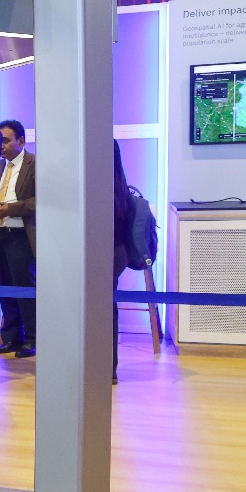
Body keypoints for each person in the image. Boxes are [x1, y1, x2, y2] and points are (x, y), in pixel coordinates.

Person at [0, 119, 37, 359]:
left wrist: (12, 209)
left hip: (21, 235)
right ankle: (11, 337)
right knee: (5, 287)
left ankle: (32, 338)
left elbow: (41, 199)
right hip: (0, 234)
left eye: (6, 141)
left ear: (21, 141)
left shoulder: (35, 163)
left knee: (24, 288)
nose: (1, 145)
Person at [112, 140, 131, 385]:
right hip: (117, 254)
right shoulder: (120, 186)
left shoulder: (96, 189)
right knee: (108, 310)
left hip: (99, 255)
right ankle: (109, 368)